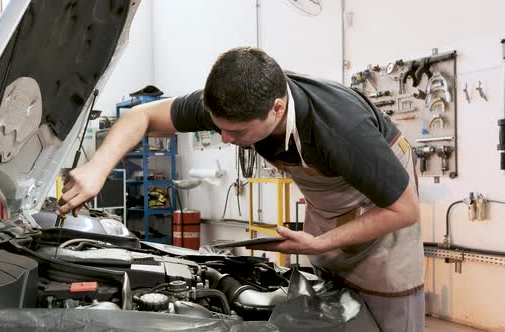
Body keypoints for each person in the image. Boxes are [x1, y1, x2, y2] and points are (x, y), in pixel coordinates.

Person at [58, 47, 424, 331]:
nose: (226, 139)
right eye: (219, 128)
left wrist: (322, 242)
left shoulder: (342, 130)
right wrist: (98, 167)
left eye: (237, 132)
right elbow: (141, 115)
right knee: (334, 301)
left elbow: (404, 210)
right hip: (329, 203)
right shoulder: (232, 104)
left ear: (277, 109)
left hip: (384, 204)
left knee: (386, 309)